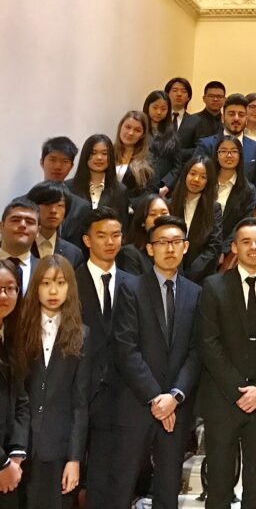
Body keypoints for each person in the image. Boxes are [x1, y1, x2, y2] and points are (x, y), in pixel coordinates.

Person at [199, 218, 256, 509]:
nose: (253, 247)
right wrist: (239, 389)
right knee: (218, 488)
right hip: (223, 402)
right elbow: (209, 344)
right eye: (246, 241)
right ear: (234, 247)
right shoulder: (214, 286)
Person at [111, 215, 202, 509]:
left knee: (168, 487)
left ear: (185, 247)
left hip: (177, 407)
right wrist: (155, 397)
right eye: (162, 242)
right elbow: (126, 348)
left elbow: (196, 351)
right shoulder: (130, 288)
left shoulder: (196, 293)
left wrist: (174, 396)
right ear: (150, 249)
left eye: (176, 242)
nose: (170, 249)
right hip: (137, 403)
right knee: (123, 484)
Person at [17, 254, 89, 509]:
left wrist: (74, 459)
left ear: (70, 287)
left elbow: (80, 404)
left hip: (58, 450)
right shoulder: (19, 330)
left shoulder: (82, 335)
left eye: (60, 283)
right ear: (35, 287)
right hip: (19, 449)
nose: (53, 290)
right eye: (46, 283)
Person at [75, 207, 134, 509]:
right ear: (87, 240)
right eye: (101, 236)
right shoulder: (70, 283)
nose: (110, 242)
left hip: (123, 395)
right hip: (78, 393)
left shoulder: (133, 284)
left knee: (115, 478)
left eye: (115, 235)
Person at [195, 93, 256, 206]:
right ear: (223, 117)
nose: (236, 118)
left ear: (246, 118)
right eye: (231, 114)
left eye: (241, 114)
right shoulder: (206, 145)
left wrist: (249, 207)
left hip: (242, 213)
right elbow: (196, 178)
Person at [0, 259, 29, 505]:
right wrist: (2, 463)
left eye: (11, 288)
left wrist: (16, 454)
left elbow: (21, 399)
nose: (5, 295)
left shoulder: (11, 338)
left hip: (9, 464)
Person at [168, 157, 223, 283]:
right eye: (192, 173)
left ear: (208, 181)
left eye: (203, 177)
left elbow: (214, 246)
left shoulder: (214, 209)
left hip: (200, 277)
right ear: (185, 174)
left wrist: (190, 274)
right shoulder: (170, 204)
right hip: (169, 270)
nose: (196, 180)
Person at [66, 135, 129, 227]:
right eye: (93, 153)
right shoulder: (68, 187)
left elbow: (123, 226)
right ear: (86, 155)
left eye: (104, 153)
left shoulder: (120, 190)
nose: (99, 157)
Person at [40, 137, 90, 245]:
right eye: (53, 160)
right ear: (41, 162)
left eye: (65, 161)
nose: (58, 166)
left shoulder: (82, 207)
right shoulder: (26, 201)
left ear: (71, 166)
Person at [210, 137, 256, 253]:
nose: (229, 155)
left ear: (240, 156)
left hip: (224, 250)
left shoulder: (248, 191)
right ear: (216, 156)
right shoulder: (206, 181)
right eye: (223, 151)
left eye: (234, 151)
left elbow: (241, 224)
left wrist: (223, 250)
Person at [26, 182, 83, 268]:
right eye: (47, 204)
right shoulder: (21, 246)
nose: (53, 210)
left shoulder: (74, 253)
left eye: (60, 205)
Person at [117, 193, 169, 275]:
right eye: (152, 214)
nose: (160, 218)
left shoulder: (174, 250)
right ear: (142, 221)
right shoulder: (130, 253)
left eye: (164, 213)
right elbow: (132, 286)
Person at [0, 197, 42, 295]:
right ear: (1, 227)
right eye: (15, 220)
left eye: (30, 222)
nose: (22, 225)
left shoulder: (45, 270)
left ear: (38, 231)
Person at [143, 90, 181, 194]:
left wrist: (167, 186)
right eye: (155, 107)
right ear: (147, 107)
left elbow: (177, 166)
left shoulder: (173, 135)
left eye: (163, 109)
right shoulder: (140, 131)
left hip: (164, 189)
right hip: (141, 187)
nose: (159, 112)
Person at [113, 111, 155, 202]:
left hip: (131, 211)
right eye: (127, 127)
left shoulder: (149, 160)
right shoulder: (108, 152)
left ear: (143, 135)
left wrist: (129, 206)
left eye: (137, 130)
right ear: (120, 127)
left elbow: (151, 191)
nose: (131, 133)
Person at [164, 77, 200, 160]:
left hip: (183, 168)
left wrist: (178, 153)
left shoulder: (195, 121)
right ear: (167, 94)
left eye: (184, 91)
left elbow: (198, 149)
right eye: (175, 90)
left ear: (188, 97)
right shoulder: (160, 118)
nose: (179, 94)